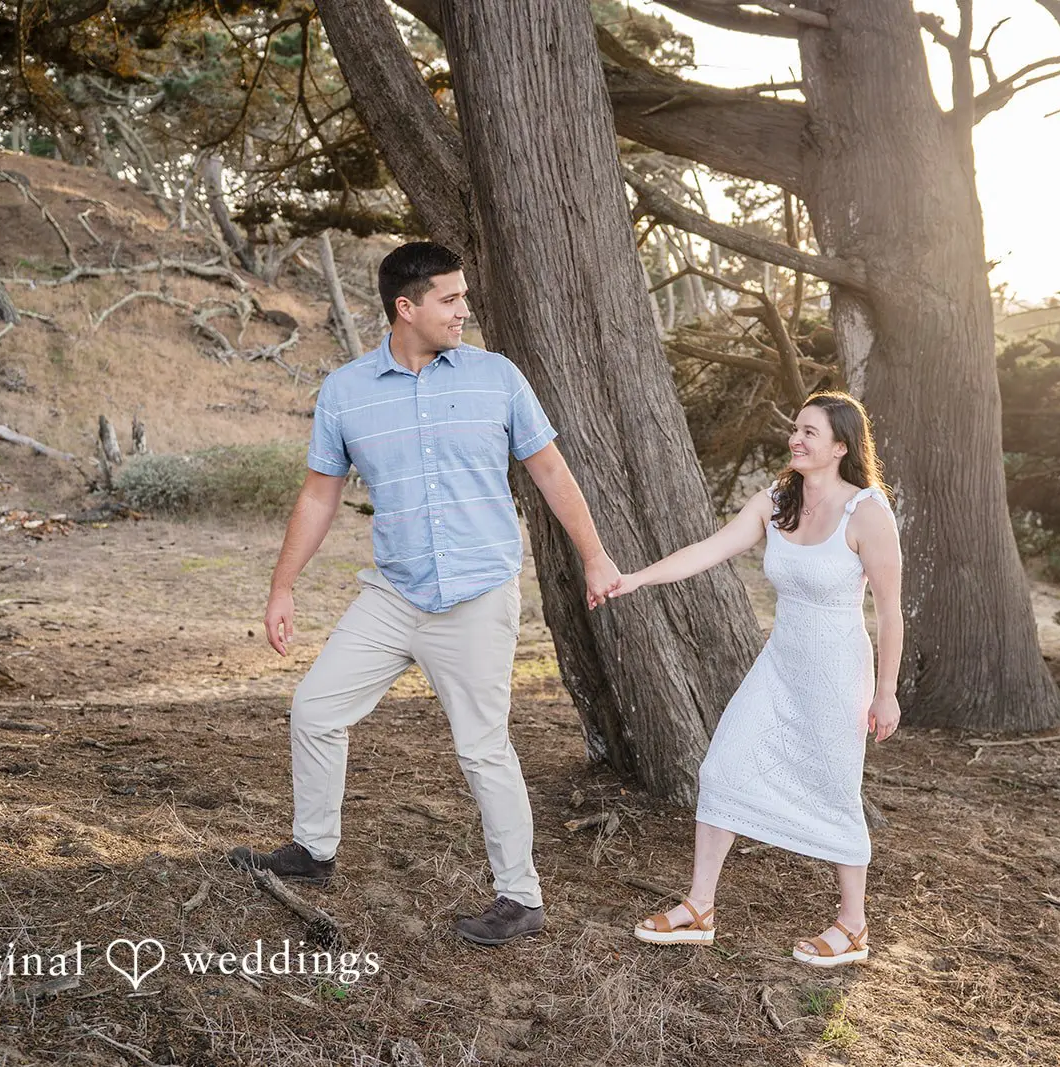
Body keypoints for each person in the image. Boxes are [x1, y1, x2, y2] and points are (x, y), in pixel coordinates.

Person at [229, 241, 621, 946]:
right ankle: (313, 850)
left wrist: (595, 557)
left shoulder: (497, 377)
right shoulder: (346, 391)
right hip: (393, 594)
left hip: (476, 596)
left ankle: (520, 896)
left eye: (464, 296)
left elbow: (552, 472)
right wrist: (282, 586)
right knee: (314, 711)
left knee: (482, 748)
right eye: (450, 298)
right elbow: (319, 496)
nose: (464, 310)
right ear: (405, 308)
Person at [608, 391, 902, 968]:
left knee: (836, 789)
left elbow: (890, 610)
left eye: (810, 432)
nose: (796, 438)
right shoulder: (776, 501)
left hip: (838, 671)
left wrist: (887, 691)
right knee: (722, 767)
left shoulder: (866, 512)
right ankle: (699, 908)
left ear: (841, 446)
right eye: (796, 429)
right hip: (780, 664)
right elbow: (711, 548)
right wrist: (637, 578)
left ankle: (853, 925)